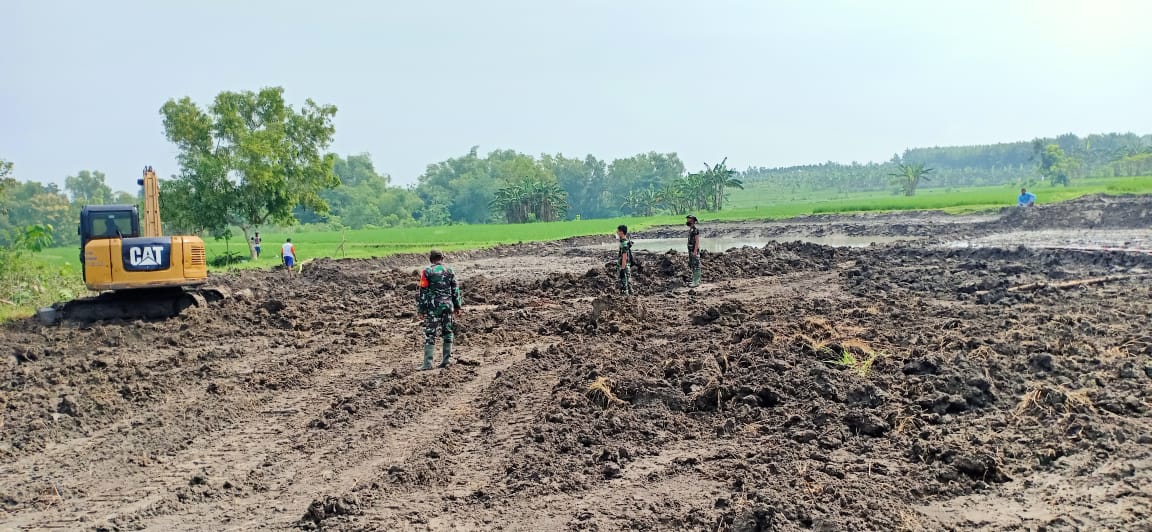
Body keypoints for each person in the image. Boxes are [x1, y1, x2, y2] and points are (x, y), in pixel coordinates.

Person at [417, 249, 463, 370]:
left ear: (431, 259)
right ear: (442, 258)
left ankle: (427, 363)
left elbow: (423, 292)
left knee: (430, 333)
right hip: (448, 306)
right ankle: (446, 360)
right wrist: (457, 306)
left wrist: (421, 310)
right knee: (447, 332)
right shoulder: (450, 270)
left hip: (434, 307)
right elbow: (455, 290)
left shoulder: (427, 271)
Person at [616, 224, 633, 296]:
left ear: (621, 232)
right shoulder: (626, 241)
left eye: (618, 231)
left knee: (624, 285)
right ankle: (631, 300)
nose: (616, 232)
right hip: (627, 266)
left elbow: (624, 256)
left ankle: (626, 300)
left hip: (624, 266)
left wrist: (622, 269)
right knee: (628, 284)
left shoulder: (624, 243)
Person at [686, 214, 702, 287]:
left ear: (692, 221)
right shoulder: (690, 229)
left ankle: (696, 282)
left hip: (694, 250)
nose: (687, 221)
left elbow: (697, 241)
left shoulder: (695, 230)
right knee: (692, 265)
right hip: (690, 250)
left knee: (696, 266)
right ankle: (694, 280)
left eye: (689, 220)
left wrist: (695, 251)